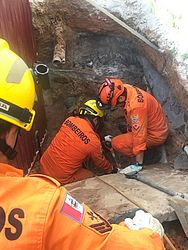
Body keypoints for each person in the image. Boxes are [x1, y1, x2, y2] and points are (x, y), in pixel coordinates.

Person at [0, 38, 165, 249]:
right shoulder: (46, 204)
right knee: (91, 175)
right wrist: (114, 170)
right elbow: (102, 166)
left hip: (45, 166)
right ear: (11, 132)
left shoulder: (69, 121)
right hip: (58, 176)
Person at [97, 78, 169, 172]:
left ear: (121, 98)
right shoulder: (125, 89)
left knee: (116, 143)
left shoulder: (136, 107)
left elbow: (139, 136)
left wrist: (138, 164)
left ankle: (149, 157)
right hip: (154, 126)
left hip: (155, 135)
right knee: (127, 137)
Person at [40, 99, 116, 184]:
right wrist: (111, 169)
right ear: (95, 120)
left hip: (44, 165)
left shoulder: (69, 120)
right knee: (91, 177)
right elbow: (100, 162)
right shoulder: (93, 141)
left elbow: (77, 140)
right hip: (59, 178)